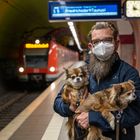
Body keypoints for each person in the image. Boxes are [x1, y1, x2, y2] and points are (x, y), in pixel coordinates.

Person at [53, 21, 140, 140]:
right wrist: (70, 107)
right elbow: (57, 103)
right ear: (91, 46)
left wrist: (93, 118)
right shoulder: (83, 72)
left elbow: (135, 113)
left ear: (116, 44)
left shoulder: (128, 73)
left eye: (108, 40)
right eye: (97, 42)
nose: (102, 45)